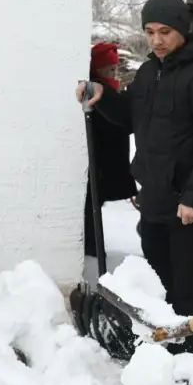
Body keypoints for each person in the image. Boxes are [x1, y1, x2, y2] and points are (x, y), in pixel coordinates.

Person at [76, 0, 193, 354]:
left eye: (165, 32)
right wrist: (103, 94)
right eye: (149, 32)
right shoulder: (148, 73)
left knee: (188, 288)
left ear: (182, 29)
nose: (156, 40)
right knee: (160, 284)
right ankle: (171, 352)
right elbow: (129, 116)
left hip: (189, 205)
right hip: (156, 199)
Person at [83, 42, 138, 260]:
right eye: (109, 69)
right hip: (101, 166)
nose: (114, 73)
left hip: (106, 166)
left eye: (115, 69)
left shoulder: (110, 93)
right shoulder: (99, 93)